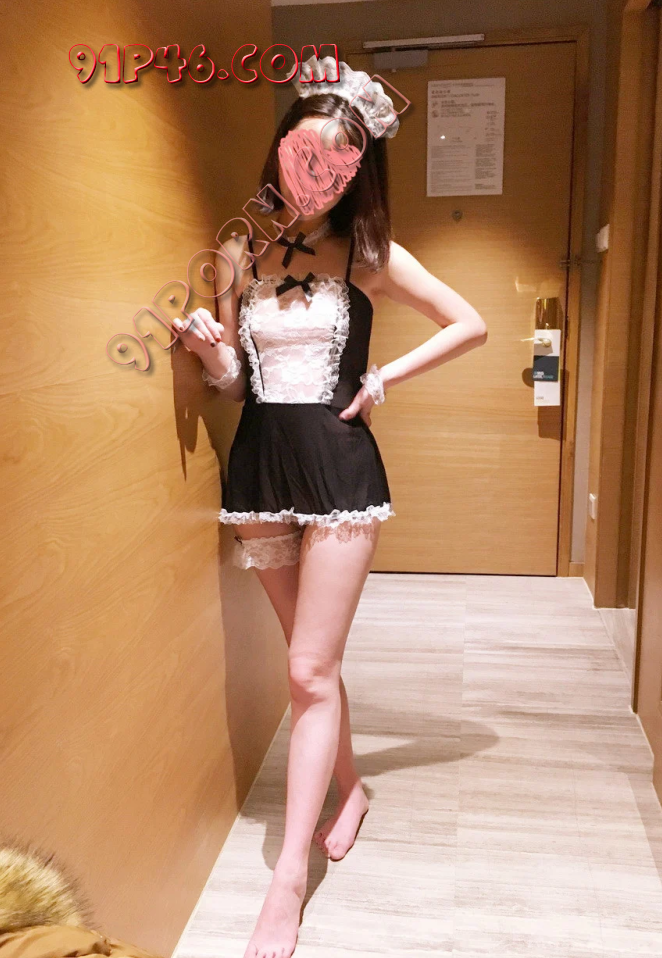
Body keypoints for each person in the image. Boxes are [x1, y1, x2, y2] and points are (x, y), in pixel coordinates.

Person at [173, 54, 487, 958]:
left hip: (340, 471)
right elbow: (236, 384)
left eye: (332, 161)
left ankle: (287, 882)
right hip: (260, 467)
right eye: (299, 153)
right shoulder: (237, 254)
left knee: (309, 672)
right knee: (308, 667)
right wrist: (206, 347)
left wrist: (382, 377)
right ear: (278, 152)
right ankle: (351, 790)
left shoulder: (369, 255)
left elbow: (468, 323)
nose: (312, 172)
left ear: (357, 171)